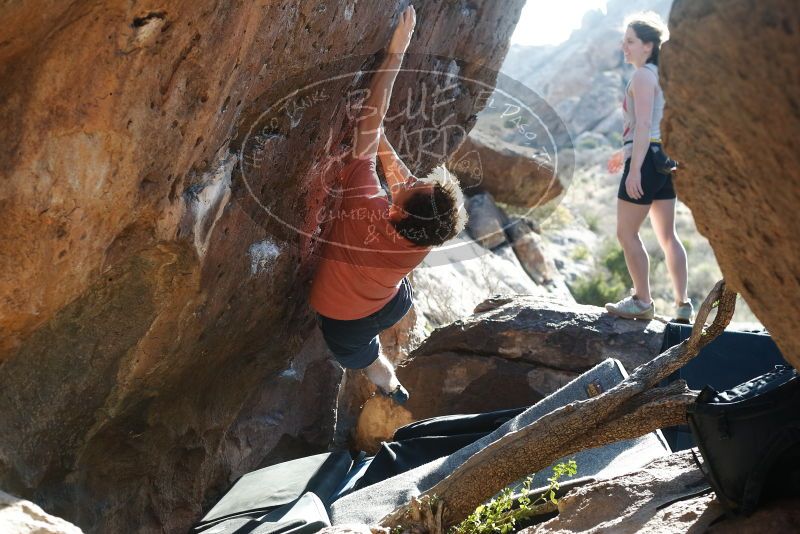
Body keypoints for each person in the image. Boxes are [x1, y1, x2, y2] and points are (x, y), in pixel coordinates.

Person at [309, 6, 467, 404]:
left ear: (396, 212)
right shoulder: (427, 234)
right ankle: (393, 388)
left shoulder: (365, 203)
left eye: (413, 186)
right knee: (375, 349)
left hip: (344, 322)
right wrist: (376, 138)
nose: (410, 178)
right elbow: (398, 178)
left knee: (370, 360)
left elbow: (370, 117)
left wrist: (396, 52)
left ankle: (389, 385)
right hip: (393, 303)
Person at [605, 12, 693, 323]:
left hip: (645, 161)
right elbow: (652, 124)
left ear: (649, 45)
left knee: (626, 234)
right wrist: (624, 152)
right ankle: (683, 304)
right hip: (664, 160)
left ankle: (642, 300)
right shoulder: (661, 77)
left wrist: (633, 168)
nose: (624, 46)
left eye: (630, 41)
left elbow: (643, 123)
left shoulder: (642, 76)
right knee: (668, 236)